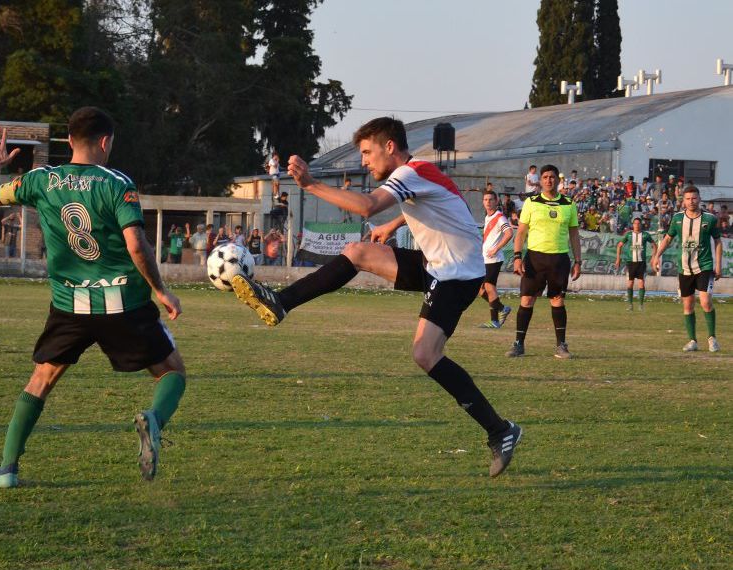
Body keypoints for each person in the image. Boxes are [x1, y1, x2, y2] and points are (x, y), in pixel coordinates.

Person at [229, 117, 521, 477]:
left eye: (367, 152)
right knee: (358, 251)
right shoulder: (418, 174)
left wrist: (311, 184)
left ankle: (500, 430)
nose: (364, 161)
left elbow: (367, 206)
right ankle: (281, 302)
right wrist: (393, 225)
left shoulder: (414, 171)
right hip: (439, 265)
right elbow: (438, 202)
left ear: (389, 147)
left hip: (457, 274)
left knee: (425, 354)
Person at [0, 108, 186, 488]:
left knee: (42, 379)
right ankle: (153, 419)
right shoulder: (118, 183)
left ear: (69, 140)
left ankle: (7, 470)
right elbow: (136, 244)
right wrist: (160, 289)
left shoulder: (40, 180)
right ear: (106, 142)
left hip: (69, 304)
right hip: (123, 303)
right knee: (172, 372)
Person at [507, 164, 582, 359]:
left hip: (559, 259)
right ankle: (518, 344)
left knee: (557, 301)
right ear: (540, 181)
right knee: (527, 299)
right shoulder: (531, 202)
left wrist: (578, 261)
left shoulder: (568, 203)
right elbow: (521, 232)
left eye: (552, 177)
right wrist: (516, 257)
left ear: (558, 180)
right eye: (546, 177)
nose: (549, 180)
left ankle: (561, 345)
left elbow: (574, 235)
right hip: (535, 258)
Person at [651, 186, 722, 353]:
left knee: (705, 302)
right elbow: (667, 239)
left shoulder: (709, 219)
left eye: (694, 198)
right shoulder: (677, 219)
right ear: (683, 201)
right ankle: (692, 341)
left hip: (704, 266)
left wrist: (719, 265)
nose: (691, 201)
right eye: (688, 199)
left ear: (699, 199)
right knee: (688, 305)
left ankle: (712, 338)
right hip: (684, 269)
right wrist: (656, 256)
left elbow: (718, 241)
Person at [478, 191, 513, 329]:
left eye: (490, 199)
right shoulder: (487, 217)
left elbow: (509, 233)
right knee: (481, 290)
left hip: (494, 259)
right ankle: (499, 312)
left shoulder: (499, 217)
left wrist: (496, 248)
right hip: (485, 259)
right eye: (485, 199)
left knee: (489, 286)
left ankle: (497, 317)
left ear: (496, 200)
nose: (488, 202)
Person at [614, 217, 657, 311]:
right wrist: (618, 259)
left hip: (641, 262)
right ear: (632, 225)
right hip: (631, 262)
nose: (637, 225)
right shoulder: (628, 235)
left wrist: (654, 258)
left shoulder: (645, 235)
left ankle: (641, 305)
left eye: (638, 223)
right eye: (635, 223)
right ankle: (630, 305)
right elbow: (619, 245)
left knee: (641, 283)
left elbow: (654, 245)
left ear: (640, 224)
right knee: (630, 283)